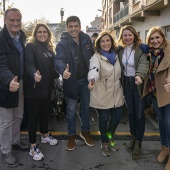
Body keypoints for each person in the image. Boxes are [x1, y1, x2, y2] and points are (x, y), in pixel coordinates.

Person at [54, 16, 95, 151]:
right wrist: (62, 71)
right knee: (71, 110)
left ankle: (85, 131)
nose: (73, 29)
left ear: (80, 26)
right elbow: (58, 59)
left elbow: (94, 57)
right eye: (70, 26)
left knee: (86, 108)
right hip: (71, 81)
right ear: (67, 28)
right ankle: (71, 135)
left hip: (86, 81)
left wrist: (93, 75)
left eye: (75, 26)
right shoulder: (62, 43)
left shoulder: (86, 39)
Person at [0, 8, 29, 168]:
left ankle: (15, 141)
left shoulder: (21, 37)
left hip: (20, 82)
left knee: (18, 115)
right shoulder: (1, 38)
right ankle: (6, 151)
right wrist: (9, 79)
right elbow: (1, 64)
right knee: (5, 120)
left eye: (18, 20)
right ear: (5, 21)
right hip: (5, 85)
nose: (16, 23)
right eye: (12, 20)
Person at [24, 23, 58, 161]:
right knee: (33, 118)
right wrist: (34, 74)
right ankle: (32, 147)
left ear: (48, 34)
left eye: (45, 32)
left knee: (44, 113)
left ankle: (44, 136)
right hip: (34, 87)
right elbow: (29, 64)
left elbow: (53, 68)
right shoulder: (31, 47)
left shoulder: (49, 48)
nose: (42, 34)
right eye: (39, 32)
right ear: (35, 34)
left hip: (47, 87)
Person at [88, 31, 124, 157]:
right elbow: (94, 69)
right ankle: (104, 142)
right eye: (102, 41)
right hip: (102, 93)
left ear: (111, 42)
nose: (105, 43)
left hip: (116, 92)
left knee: (117, 116)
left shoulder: (117, 54)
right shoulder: (96, 57)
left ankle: (109, 137)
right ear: (99, 44)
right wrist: (92, 79)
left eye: (108, 40)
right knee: (104, 119)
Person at [117, 25, 149, 159]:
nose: (128, 37)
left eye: (130, 35)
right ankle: (133, 137)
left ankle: (139, 143)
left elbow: (143, 63)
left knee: (139, 114)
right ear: (122, 37)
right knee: (130, 112)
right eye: (125, 35)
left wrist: (139, 75)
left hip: (138, 84)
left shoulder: (140, 49)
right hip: (127, 84)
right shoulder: (120, 50)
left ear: (134, 35)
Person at [143, 26, 170, 170]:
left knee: (168, 122)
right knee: (161, 123)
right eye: (152, 38)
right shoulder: (150, 53)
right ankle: (165, 149)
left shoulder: (168, 50)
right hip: (155, 94)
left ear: (163, 37)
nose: (155, 41)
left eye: (157, 37)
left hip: (168, 93)